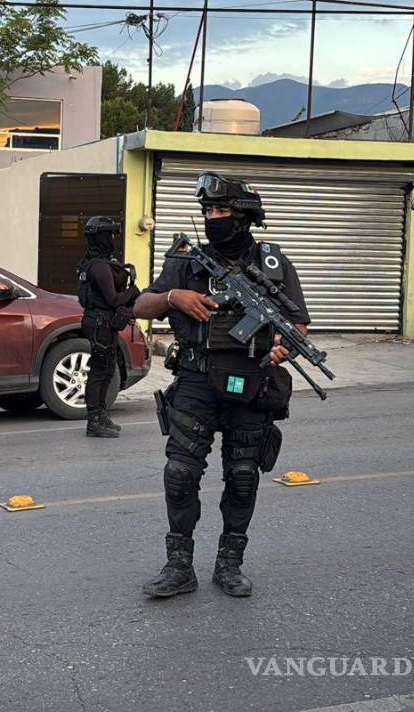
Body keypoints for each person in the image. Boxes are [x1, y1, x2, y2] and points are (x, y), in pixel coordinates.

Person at [133, 172, 309, 599]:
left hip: (252, 383)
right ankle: (179, 566)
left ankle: (230, 565)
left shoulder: (272, 263)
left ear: (244, 216)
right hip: (196, 380)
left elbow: (298, 325)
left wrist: (287, 349)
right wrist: (175, 298)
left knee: (244, 476)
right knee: (179, 474)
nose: (213, 218)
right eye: (208, 210)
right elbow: (141, 304)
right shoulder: (186, 258)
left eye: (222, 210)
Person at [76, 217, 140, 438]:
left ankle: (102, 416)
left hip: (102, 323)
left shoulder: (93, 262)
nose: (113, 239)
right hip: (100, 324)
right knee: (99, 372)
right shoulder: (100, 266)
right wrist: (134, 288)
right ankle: (94, 420)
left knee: (107, 370)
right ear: (102, 237)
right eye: (110, 235)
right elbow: (113, 299)